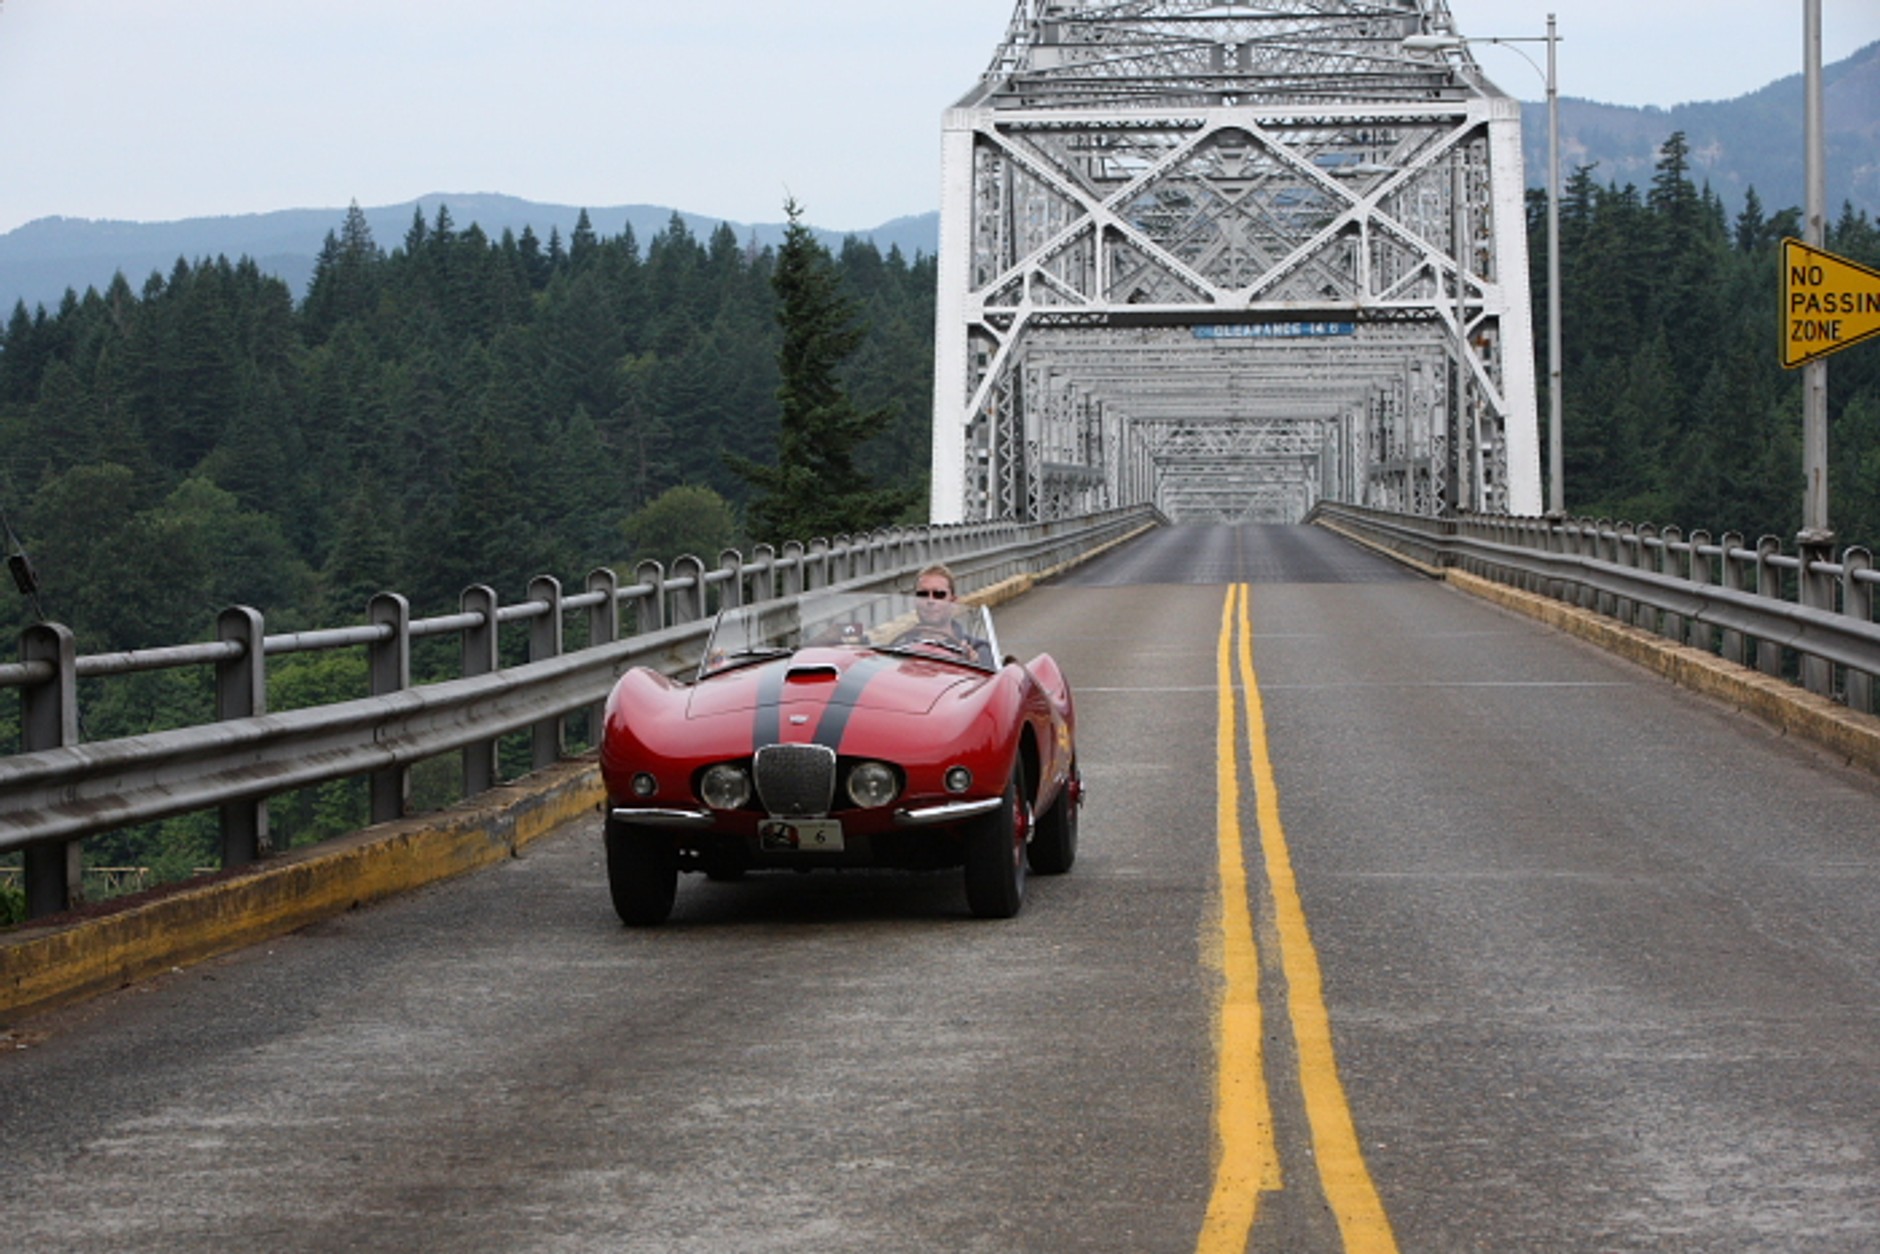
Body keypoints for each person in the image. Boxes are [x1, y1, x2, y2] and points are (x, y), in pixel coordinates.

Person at [901, 564, 992, 664]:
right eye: (923, 594)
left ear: (953, 602)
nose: (930, 600)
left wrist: (974, 664)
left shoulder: (979, 649)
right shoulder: (900, 648)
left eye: (939, 594)